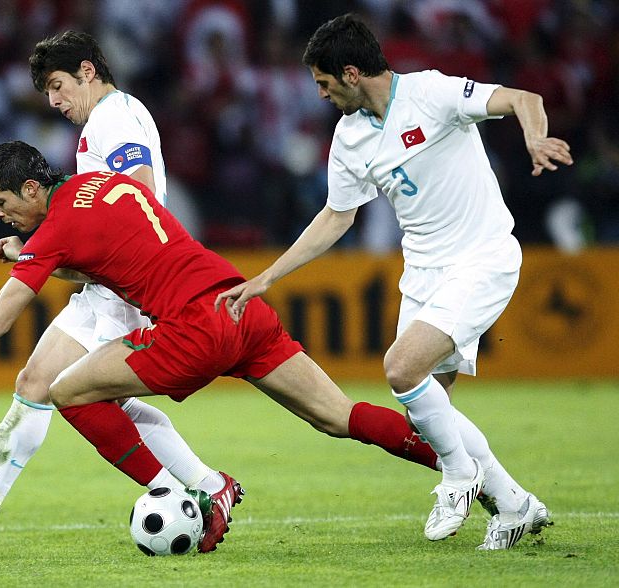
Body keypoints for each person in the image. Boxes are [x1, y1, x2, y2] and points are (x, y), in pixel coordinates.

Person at [0, 141, 445, 552]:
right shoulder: (101, 183)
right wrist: (33, 251)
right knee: (340, 415)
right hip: (239, 305)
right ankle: (466, 468)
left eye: (2, 203)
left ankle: (178, 490)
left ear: (33, 189)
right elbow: (106, 256)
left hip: (191, 329)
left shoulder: (55, 227)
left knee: (68, 390)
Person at [215, 13, 572, 550]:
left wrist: (535, 141)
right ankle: (515, 506)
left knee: (401, 369)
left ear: (352, 72)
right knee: (433, 412)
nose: (320, 94)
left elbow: (526, 99)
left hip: (482, 257)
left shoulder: (433, 93)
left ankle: (458, 476)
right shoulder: (350, 137)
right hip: (423, 272)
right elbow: (337, 216)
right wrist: (267, 277)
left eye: (324, 82)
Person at [0, 31, 239, 553]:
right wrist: (41, 250)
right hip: (104, 286)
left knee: (87, 393)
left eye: (58, 86)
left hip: (128, 284)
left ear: (88, 71)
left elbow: (139, 191)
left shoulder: (117, 117)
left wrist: (49, 253)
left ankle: (200, 488)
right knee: (41, 381)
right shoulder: (97, 127)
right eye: (46, 93)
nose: (53, 102)